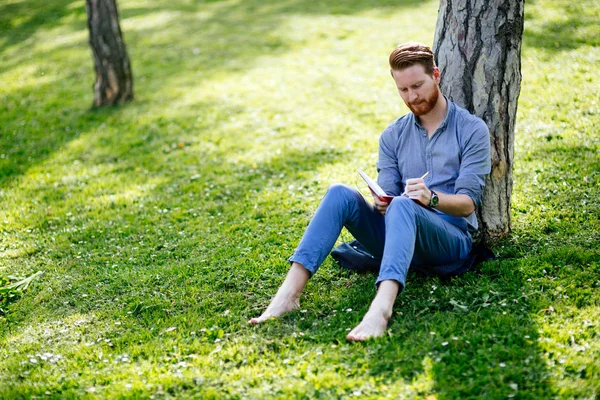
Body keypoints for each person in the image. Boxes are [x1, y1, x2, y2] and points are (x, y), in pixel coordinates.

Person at [248, 42, 491, 341]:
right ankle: (287, 296)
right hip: (399, 233)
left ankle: (381, 310)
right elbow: (387, 192)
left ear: (436, 75)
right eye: (403, 90)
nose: (412, 97)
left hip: (449, 239)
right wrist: (381, 201)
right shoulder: (392, 135)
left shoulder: (471, 129)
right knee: (340, 193)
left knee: (404, 206)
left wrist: (432, 198)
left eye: (417, 85)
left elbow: (468, 204)